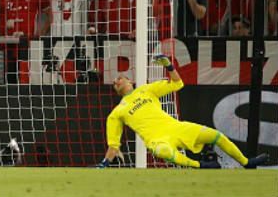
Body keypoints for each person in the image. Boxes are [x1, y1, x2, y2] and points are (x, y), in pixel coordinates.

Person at [99, 54, 269, 169]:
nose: (116, 81)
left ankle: (246, 163)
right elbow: (114, 145)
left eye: (120, 78)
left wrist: (169, 66)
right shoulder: (117, 112)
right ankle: (200, 166)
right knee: (164, 152)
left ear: (130, 81)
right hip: (157, 140)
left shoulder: (147, 90)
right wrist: (105, 163)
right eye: (114, 82)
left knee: (216, 136)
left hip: (176, 128)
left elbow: (177, 84)